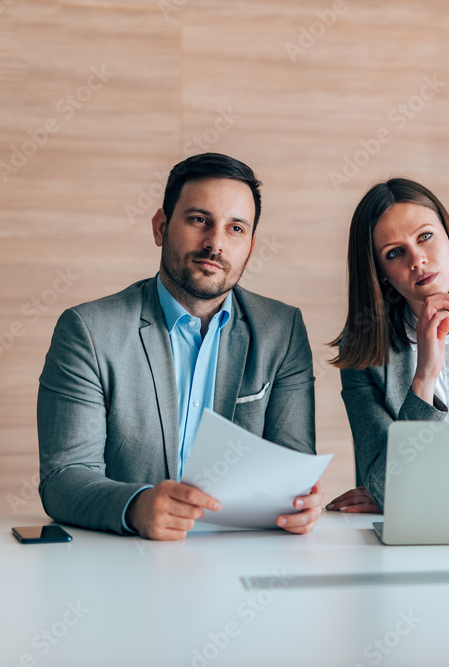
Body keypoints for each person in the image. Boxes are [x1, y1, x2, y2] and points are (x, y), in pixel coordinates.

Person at [38, 153, 322, 540]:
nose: (215, 243)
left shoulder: (282, 330)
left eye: (235, 229)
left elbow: (293, 468)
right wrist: (136, 506)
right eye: (199, 220)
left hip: (240, 559)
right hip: (124, 561)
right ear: (161, 227)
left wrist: (301, 505)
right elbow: (64, 479)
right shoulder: (88, 331)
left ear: (250, 247)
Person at [326, 178, 449, 512]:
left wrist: (411, 491)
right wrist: (424, 377)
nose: (417, 260)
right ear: (381, 274)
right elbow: (388, 489)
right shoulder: (364, 355)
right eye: (395, 253)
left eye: (425, 237)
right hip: (414, 546)